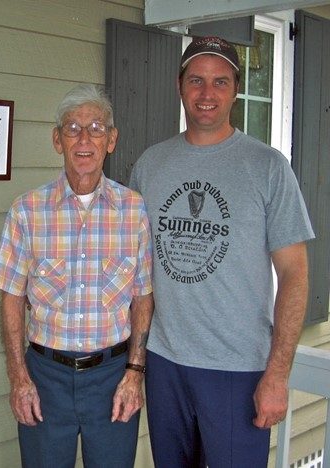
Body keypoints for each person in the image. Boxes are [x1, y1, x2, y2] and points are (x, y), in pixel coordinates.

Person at [129, 36, 315, 467]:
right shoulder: (150, 165)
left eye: (220, 82)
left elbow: (294, 275)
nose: (206, 93)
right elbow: (132, 266)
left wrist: (277, 375)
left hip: (239, 369)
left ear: (234, 89)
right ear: (180, 86)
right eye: (196, 80)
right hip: (165, 362)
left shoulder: (268, 167)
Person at [0, 83, 154, 467]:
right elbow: (11, 297)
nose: (84, 139)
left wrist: (134, 374)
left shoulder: (133, 211)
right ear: (57, 140)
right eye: (72, 128)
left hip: (113, 378)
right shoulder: (26, 212)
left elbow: (142, 297)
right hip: (45, 379)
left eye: (96, 128)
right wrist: (18, 377)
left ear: (111, 140)